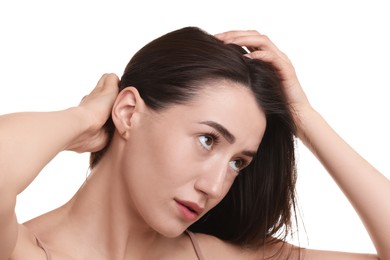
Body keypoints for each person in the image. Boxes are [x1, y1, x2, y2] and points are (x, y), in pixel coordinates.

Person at [0, 26, 388, 260]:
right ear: (129, 112)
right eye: (207, 139)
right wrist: (82, 119)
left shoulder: (214, 255)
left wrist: (305, 118)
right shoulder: (20, 250)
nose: (215, 186)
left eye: (238, 162)